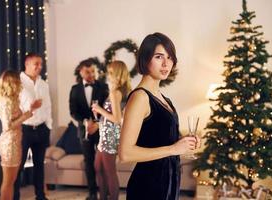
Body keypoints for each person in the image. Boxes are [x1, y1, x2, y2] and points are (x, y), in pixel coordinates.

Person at [118, 32, 201, 200]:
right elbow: (125, 153)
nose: (166, 64)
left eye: (170, 58)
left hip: (168, 184)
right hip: (148, 187)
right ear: (145, 59)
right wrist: (173, 149)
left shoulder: (165, 100)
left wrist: (184, 141)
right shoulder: (140, 97)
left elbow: (160, 137)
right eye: (159, 57)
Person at [0, 70, 42, 200]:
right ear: (11, 83)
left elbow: (16, 119)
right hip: (9, 143)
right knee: (8, 182)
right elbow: (7, 126)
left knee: (12, 180)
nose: (20, 84)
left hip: (15, 141)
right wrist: (26, 115)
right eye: (17, 81)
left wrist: (30, 109)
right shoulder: (5, 101)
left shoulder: (12, 99)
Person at [13, 53, 52, 200]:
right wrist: (30, 108)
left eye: (41, 64)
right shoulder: (18, 83)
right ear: (27, 64)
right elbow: (15, 109)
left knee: (39, 166)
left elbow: (48, 106)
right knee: (19, 165)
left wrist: (49, 126)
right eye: (36, 64)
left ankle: (40, 196)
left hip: (41, 129)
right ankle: (15, 197)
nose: (40, 67)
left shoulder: (44, 84)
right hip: (24, 130)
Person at [91, 60, 132, 200]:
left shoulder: (116, 93)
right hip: (105, 134)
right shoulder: (120, 91)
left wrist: (99, 109)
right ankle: (102, 197)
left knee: (109, 171)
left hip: (111, 135)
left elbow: (116, 119)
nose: (108, 75)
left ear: (116, 74)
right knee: (98, 167)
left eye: (110, 72)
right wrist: (100, 118)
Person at [69, 58, 109, 200]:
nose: (91, 74)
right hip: (84, 131)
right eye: (88, 71)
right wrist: (86, 122)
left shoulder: (103, 87)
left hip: (101, 129)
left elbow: (107, 109)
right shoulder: (75, 89)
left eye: (93, 71)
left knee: (102, 162)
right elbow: (73, 111)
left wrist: (97, 123)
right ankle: (92, 193)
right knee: (89, 161)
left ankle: (105, 191)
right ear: (81, 72)